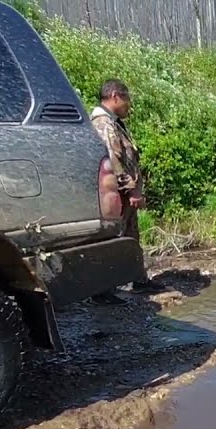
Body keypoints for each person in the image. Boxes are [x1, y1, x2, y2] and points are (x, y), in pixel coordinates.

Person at [89, 78, 165, 305]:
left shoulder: (114, 122)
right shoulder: (104, 124)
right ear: (115, 97)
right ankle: (102, 290)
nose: (129, 105)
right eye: (127, 99)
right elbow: (113, 161)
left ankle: (137, 280)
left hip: (122, 195)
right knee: (114, 239)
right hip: (115, 196)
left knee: (131, 237)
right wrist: (131, 190)